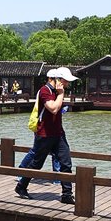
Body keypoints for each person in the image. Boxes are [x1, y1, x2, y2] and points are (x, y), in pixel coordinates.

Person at [15, 68, 77, 203]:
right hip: (44, 134)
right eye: (66, 81)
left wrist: (60, 94)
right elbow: (53, 109)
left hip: (58, 133)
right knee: (37, 163)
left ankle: (67, 194)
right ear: (58, 80)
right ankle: (21, 186)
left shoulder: (57, 91)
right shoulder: (44, 91)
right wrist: (61, 94)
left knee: (66, 163)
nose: (67, 84)